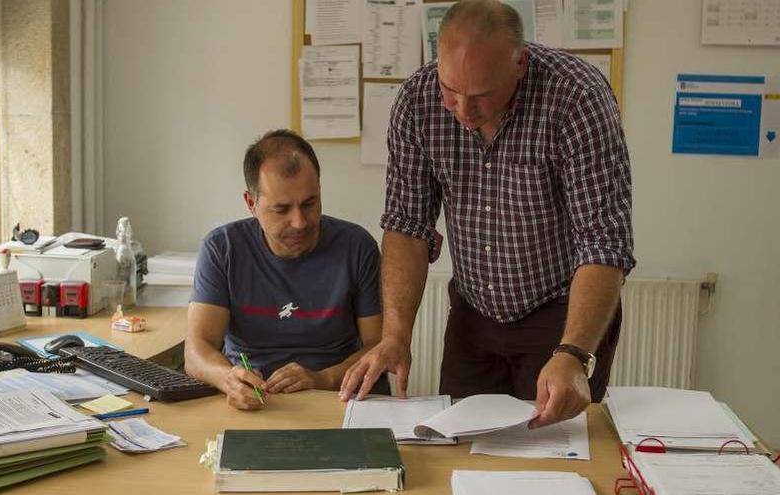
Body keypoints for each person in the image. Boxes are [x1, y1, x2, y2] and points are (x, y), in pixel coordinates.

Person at [339, 0, 635, 428]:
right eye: (451, 90)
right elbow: (406, 225)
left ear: (520, 63)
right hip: (474, 312)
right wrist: (394, 337)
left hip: (560, 309)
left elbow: (604, 241)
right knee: (458, 442)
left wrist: (572, 354)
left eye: (480, 95)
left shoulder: (577, 96)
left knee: (547, 453)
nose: (463, 109)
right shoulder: (418, 101)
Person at [185, 129, 386, 410]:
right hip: (253, 400)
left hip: (334, 397)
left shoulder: (357, 247)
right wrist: (228, 378)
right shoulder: (222, 248)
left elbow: (378, 345)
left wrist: (322, 378)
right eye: (281, 210)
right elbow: (196, 350)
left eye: (309, 204)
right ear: (251, 203)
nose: (300, 222)